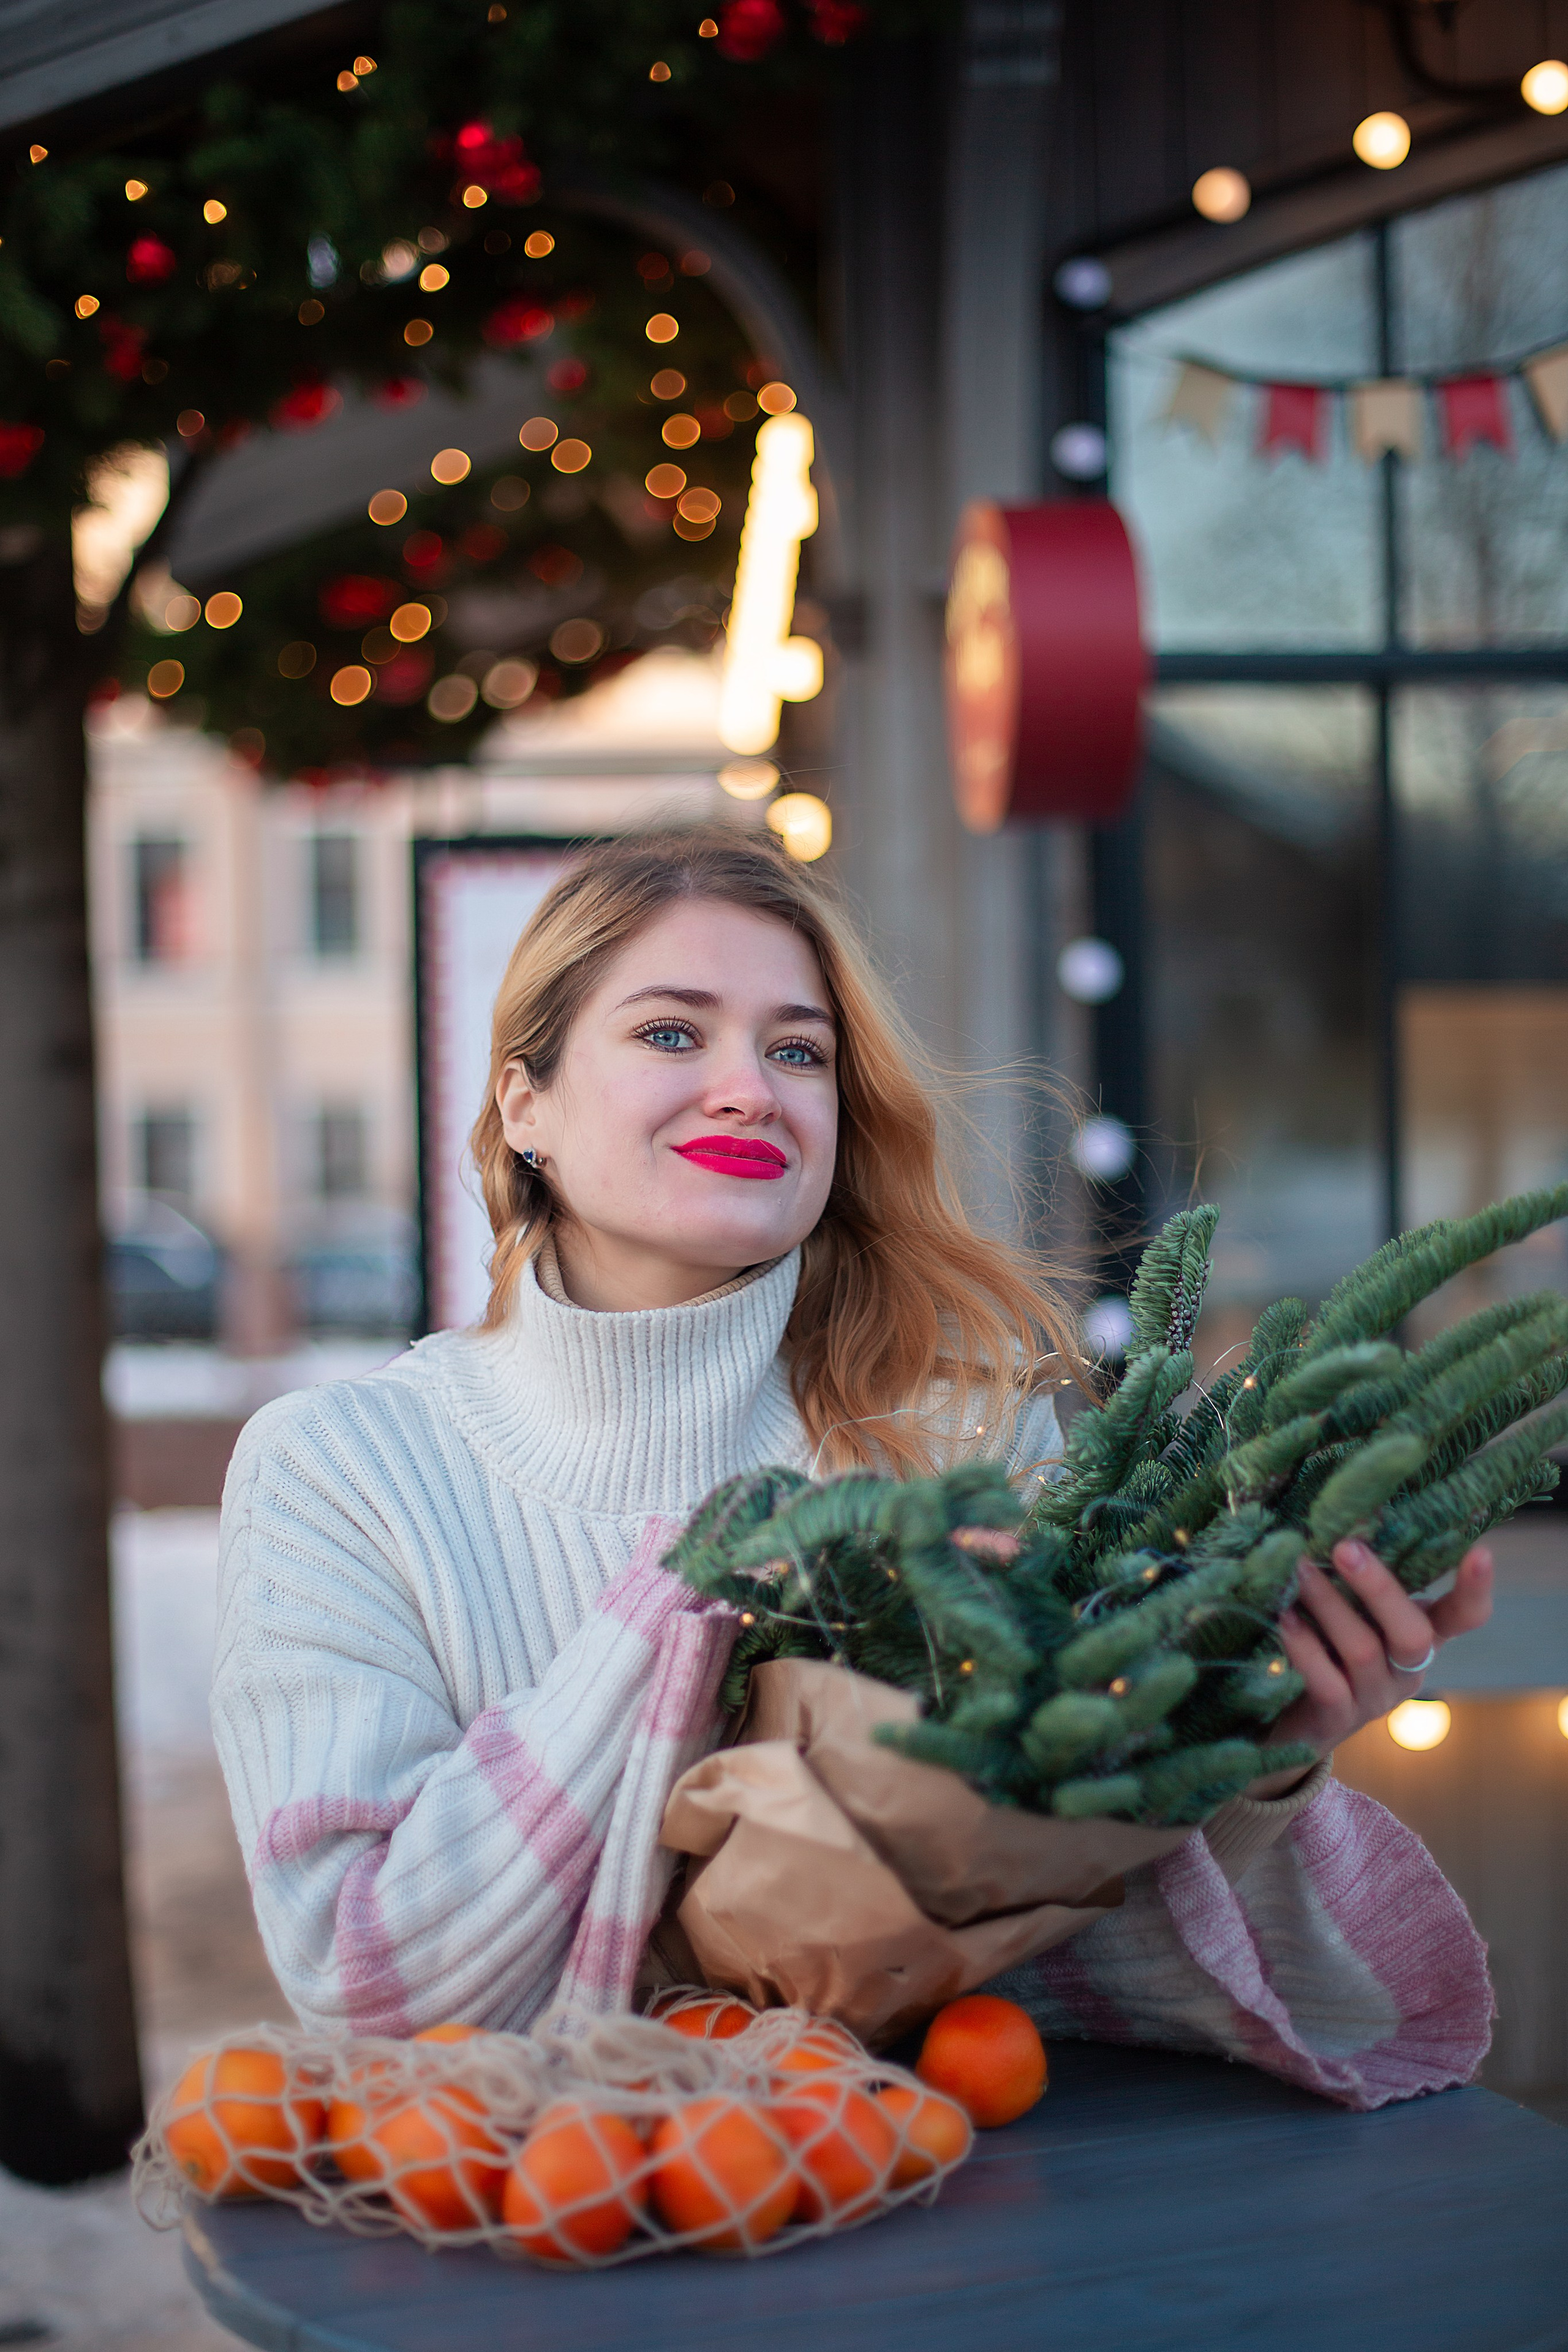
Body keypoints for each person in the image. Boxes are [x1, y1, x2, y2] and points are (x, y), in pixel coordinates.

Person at [213, 828, 1494, 2108]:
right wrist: (698, 1585)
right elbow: (366, 1977)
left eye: (795, 1052)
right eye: (671, 1033)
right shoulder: (344, 1475)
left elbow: (1053, 1940)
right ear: (522, 1104)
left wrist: (1244, 1753)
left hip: (917, 2212)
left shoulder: (960, 1442)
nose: (746, 1090)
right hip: (521, 2249)